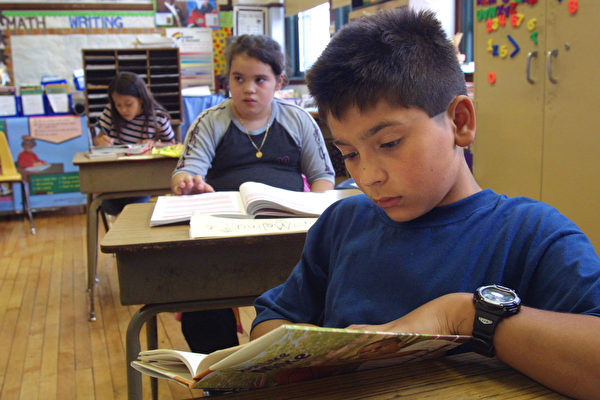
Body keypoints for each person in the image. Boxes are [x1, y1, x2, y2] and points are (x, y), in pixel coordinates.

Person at [250, 8, 600, 399]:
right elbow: (274, 318)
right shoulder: (342, 223)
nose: (368, 176)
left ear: (460, 122)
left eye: (389, 144)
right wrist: (295, 360)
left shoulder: (534, 235)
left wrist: (467, 316)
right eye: (348, 153)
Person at [171, 34, 335, 354]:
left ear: (279, 81)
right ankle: (219, 372)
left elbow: (323, 178)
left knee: (314, 295)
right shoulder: (210, 122)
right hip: (222, 238)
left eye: (260, 79)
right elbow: (187, 168)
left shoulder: (298, 120)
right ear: (227, 80)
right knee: (201, 305)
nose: (249, 88)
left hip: (288, 235)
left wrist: (313, 214)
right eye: (239, 78)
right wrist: (186, 182)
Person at [95, 71, 176, 216]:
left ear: (141, 99)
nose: (123, 110)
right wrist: (101, 142)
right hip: (116, 177)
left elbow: (172, 144)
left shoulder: (157, 116)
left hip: (145, 177)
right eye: (118, 105)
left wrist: (154, 144)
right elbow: (99, 139)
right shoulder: (110, 113)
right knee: (109, 206)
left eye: (128, 104)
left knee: (134, 206)